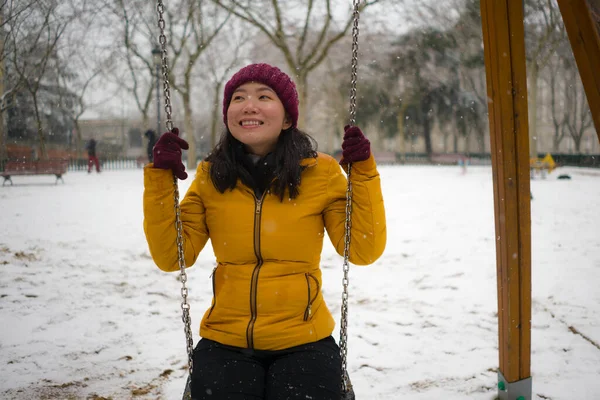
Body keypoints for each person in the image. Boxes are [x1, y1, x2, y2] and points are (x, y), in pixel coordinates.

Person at [143, 63, 386, 400]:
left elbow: (362, 250)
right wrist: (160, 179)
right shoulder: (211, 176)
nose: (249, 105)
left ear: (287, 118)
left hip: (304, 339)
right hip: (226, 340)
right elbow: (172, 256)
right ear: (229, 114)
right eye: (238, 98)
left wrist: (363, 172)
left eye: (264, 96)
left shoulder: (321, 173)